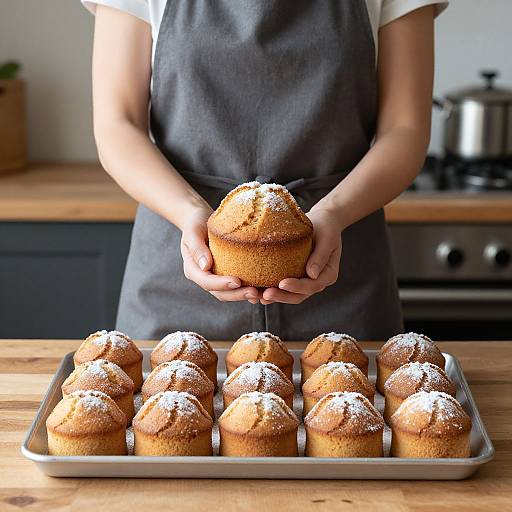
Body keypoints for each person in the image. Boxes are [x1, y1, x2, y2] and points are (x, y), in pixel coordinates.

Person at [82, 0, 447, 341]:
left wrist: (334, 213)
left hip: (340, 264)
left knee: (351, 404)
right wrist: (189, 213)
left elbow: (405, 129)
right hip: (178, 265)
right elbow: (118, 125)